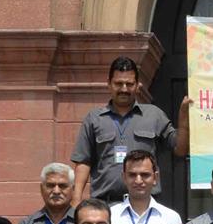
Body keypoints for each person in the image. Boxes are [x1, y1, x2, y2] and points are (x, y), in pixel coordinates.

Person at [70, 55, 189, 205]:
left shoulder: (154, 115)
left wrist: (184, 118)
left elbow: (180, 149)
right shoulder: (94, 118)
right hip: (106, 206)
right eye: (118, 84)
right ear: (109, 84)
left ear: (138, 85)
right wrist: (76, 200)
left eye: (129, 84)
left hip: (144, 205)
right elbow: (83, 162)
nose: (124, 89)